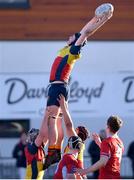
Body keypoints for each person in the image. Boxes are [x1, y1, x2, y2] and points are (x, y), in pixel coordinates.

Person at [34, 6, 113, 169]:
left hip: (58, 87)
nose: (69, 36)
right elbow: (83, 30)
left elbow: (85, 34)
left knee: (52, 121)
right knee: (56, 121)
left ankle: (54, 151)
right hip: (59, 87)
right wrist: (97, 17)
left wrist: (104, 20)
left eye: (72, 36)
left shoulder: (73, 50)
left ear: (75, 41)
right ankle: (54, 150)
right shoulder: (68, 49)